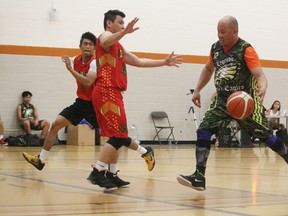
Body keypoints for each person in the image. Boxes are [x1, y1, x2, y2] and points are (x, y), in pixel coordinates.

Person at [177, 15, 288, 191]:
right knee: (204, 129)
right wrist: (197, 90)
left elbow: (259, 74)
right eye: (217, 31)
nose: (219, 35)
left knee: (266, 135)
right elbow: (207, 68)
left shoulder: (246, 49)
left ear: (234, 31)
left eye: (223, 32)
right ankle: (199, 176)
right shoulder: (215, 48)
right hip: (223, 100)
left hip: (245, 101)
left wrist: (263, 87)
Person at [87, 9, 182, 191]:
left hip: (113, 93)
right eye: (120, 22)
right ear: (109, 23)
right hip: (106, 91)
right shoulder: (105, 37)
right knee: (118, 135)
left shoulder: (118, 48)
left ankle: (111, 174)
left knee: (117, 135)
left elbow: (139, 61)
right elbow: (106, 40)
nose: (123, 25)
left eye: (124, 23)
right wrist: (124, 32)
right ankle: (97, 171)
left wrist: (163, 62)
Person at [22, 32, 98, 170]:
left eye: (91, 44)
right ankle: (41, 160)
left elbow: (87, 82)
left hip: (95, 104)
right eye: (85, 44)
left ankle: (135, 155)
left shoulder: (94, 62)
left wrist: (69, 68)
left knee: (112, 135)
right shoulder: (76, 60)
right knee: (56, 124)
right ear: (80, 46)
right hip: (81, 102)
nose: (88, 46)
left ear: (94, 48)